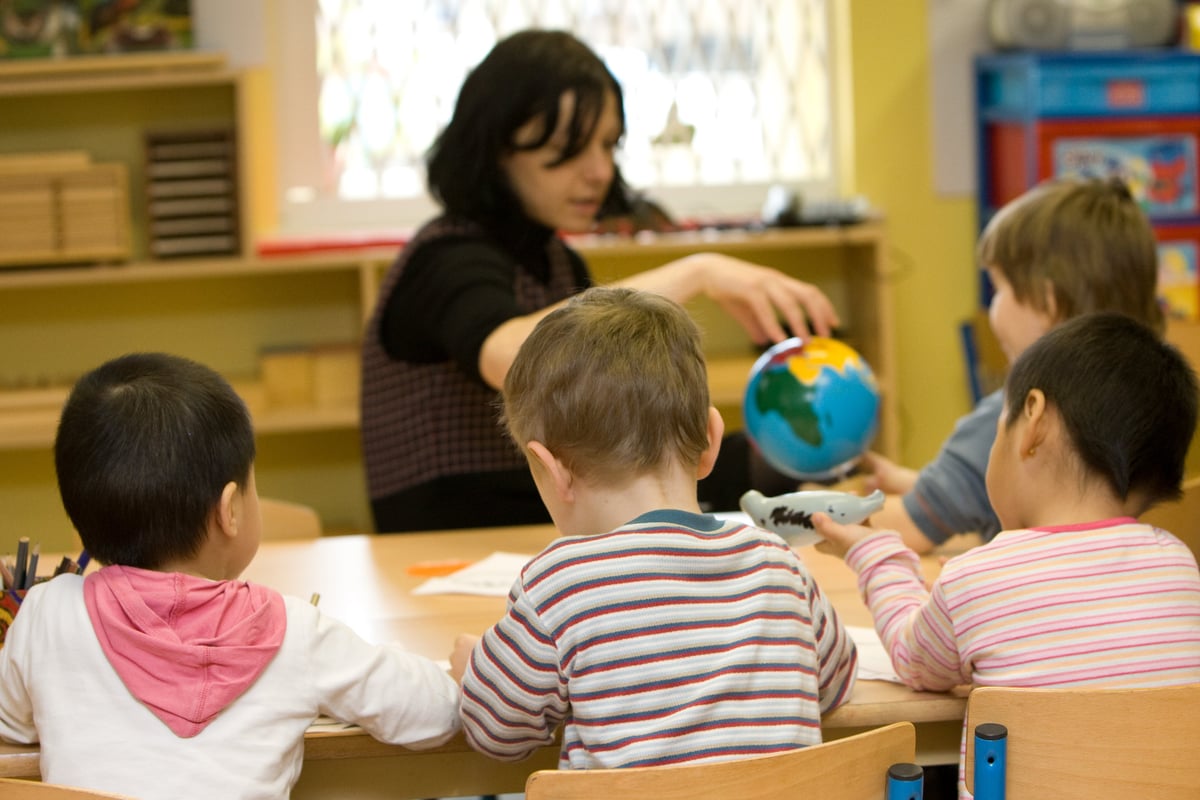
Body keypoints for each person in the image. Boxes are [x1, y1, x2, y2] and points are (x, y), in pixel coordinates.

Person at [361, 28, 838, 533]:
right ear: (497, 147)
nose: (599, 171)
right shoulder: (443, 259)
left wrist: (787, 460)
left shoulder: (559, 262)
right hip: (452, 540)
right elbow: (514, 357)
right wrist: (700, 271)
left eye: (608, 145)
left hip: (561, 531)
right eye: (570, 148)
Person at [0, 353, 460, 800]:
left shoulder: (46, 614)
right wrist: (452, 668)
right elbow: (434, 713)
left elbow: (14, 723)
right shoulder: (294, 633)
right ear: (230, 510)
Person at [449, 287, 858, 767]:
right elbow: (835, 683)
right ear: (710, 441)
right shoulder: (777, 561)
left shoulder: (558, 585)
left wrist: (476, 673)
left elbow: (497, 734)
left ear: (552, 469)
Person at [812, 311, 1200, 798]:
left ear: (1033, 419)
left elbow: (913, 659)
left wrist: (874, 555)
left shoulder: (979, 578)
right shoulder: (1180, 571)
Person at [859, 177, 1164, 553]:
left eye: (999, 288)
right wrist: (922, 482)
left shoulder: (1019, 419)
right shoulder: (1163, 412)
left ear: (1047, 303)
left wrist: (810, 508)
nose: (992, 307)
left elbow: (904, 529)